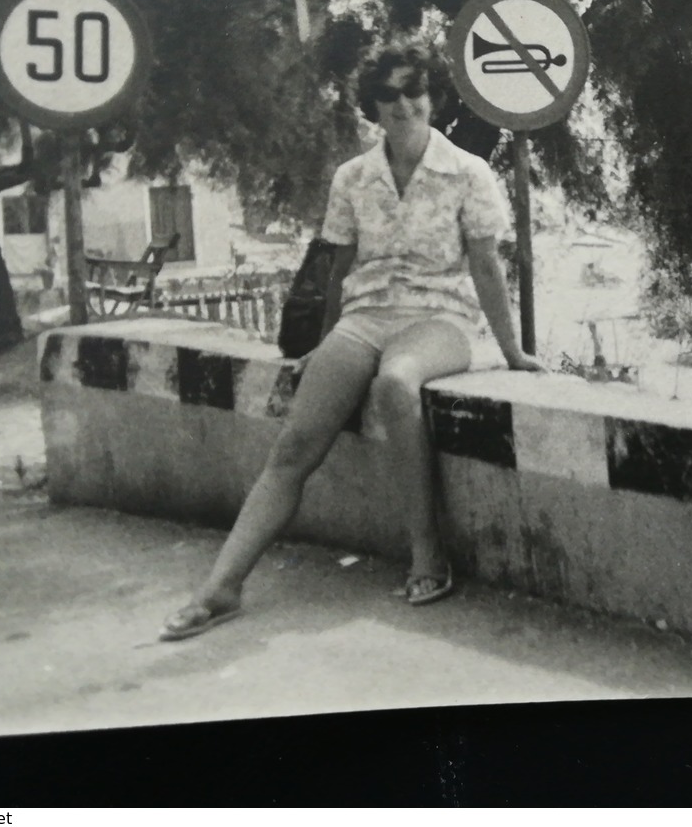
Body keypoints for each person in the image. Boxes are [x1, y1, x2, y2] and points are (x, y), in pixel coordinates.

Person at [160, 47, 546, 641]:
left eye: (414, 91)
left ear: (434, 98)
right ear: (372, 106)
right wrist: (324, 343)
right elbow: (338, 270)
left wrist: (514, 353)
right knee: (293, 447)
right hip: (364, 319)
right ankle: (222, 587)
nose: (402, 104)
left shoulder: (469, 172)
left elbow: (487, 271)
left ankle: (427, 554)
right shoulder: (353, 177)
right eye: (387, 95)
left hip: (439, 319)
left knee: (396, 384)